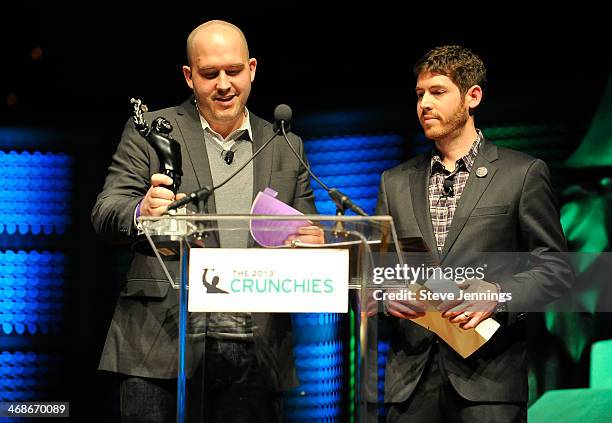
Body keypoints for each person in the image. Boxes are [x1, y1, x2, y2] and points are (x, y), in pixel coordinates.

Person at [92, 20, 322, 422]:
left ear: (252, 69)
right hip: (160, 344)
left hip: (257, 346)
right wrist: (142, 211)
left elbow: (306, 231)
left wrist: (311, 244)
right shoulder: (152, 132)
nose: (223, 84)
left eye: (233, 71)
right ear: (188, 76)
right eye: (209, 73)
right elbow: (106, 211)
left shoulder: (285, 144)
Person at [376, 45, 573, 422]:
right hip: (411, 383)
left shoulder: (522, 173)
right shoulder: (394, 182)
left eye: (437, 92)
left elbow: (557, 272)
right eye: (419, 95)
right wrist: (386, 296)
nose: (424, 105)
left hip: (489, 384)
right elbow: (375, 273)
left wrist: (499, 295)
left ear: (473, 96)